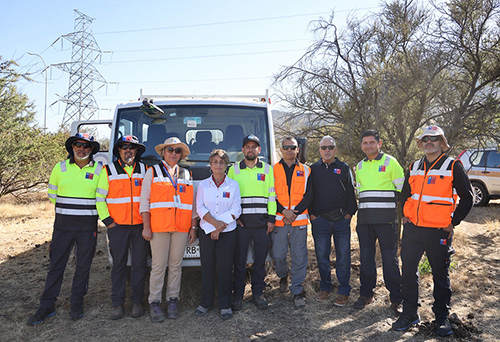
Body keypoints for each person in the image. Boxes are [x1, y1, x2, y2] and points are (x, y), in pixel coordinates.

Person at [392, 125, 473, 336]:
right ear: (421, 143)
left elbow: (468, 198)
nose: (429, 142)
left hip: (438, 231)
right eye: (425, 139)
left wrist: (452, 223)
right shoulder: (414, 166)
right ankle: (409, 313)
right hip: (413, 231)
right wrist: (405, 216)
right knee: (408, 272)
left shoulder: (453, 165)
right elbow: (405, 194)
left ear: (441, 142)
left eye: (434, 139)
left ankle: (441, 318)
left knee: (440, 274)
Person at [27, 133, 103, 325]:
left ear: (92, 149)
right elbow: (52, 194)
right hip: (62, 227)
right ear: (72, 147)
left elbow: (102, 198)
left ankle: (76, 302)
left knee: (83, 267)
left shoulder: (100, 170)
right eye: (78, 145)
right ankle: (46, 306)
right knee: (55, 267)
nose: (82, 149)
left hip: (87, 228)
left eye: (86, 146)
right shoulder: (59, 168)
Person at [140, 137, 197, 323]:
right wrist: (146, 227)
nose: (173, 153)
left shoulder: (187, 174)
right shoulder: (152, 172)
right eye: (170, 150)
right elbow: (145, 202)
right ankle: (154, 302)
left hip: (181, 228)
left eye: (177, 150)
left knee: (175, 266)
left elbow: (193, 204)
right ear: (163, 152)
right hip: (159, 228)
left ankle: (173, 300)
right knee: (158, 266)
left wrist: (193, 227)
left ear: (181, 155)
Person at [95, 135, 149, 320]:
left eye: (132, 147)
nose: (128, 150)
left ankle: (137, 302)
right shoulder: (108, 170)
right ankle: (117, 304)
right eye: (124, 147)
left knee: (139, 265)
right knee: (118, 266)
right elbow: (99, 198)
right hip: (117, 227)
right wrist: (108, 220)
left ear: (137, 151)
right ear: (118, 150)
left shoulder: (145, 169)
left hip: (140, 227)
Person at [353, 130, 404, 315]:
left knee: (390, 260)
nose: (368, 146)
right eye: (365, 143)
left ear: (379, 143)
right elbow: (360, 194)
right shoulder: (359, 166)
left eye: (371, 142)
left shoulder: (391, 162)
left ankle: (397, 299)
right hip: (365, 222)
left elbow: (403, 191)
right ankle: (366, 294)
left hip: (386, 222)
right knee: (366, 259)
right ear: (361, 145)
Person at [227, 134, 276, 311]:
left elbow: (272, 195)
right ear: (242, 150)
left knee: (260, 262)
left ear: (259, 150)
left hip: (262, 225)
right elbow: (230, 196)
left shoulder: (268, 170)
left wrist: (271, 219)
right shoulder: (234, 170)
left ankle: (258, 294)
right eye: (247, 146)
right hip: (242, 225)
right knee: (239, 262)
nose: (250, 149)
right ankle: (238, 295)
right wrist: (235, 217)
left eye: (253, 146)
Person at [309, 135, 357, 307]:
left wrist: (348, 215)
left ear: (335, 149)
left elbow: (351, 193)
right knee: (322, 256)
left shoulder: (344, 168)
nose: (327, 151)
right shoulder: (313, 169)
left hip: (341, 221)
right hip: (320, 221)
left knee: (343, 257)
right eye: (324, 148)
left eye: (330, 147)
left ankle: (344, 291)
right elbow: (309, 194)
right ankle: (325, 288)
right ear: (320, 150)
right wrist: (312, 215)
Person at [195, 149, 241, 320]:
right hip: (207, 231)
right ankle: (206, 303)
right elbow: (200, 207)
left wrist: (220, 228)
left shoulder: (233, 185)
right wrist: (214, 226)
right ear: (210, 165)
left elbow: (236, 209)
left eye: (222, 162)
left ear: (226, 165)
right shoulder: (203, 185)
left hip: (227, 232)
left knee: (225, 269)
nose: (218, 165)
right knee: (207, 268)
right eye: (215, 162)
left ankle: (225, 305)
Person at [272, 137, 312, 308]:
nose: (289, 150)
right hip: (280, 220)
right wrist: (283, 211)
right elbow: (270, 195)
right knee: (278, 255)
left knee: (299, 257)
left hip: (299, 220)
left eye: (292, 147)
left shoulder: (307, 170)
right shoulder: (272, 170)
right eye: (286, 147)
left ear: (298, 150)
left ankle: (297, 291)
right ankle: (283, 275)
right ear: (280, 150)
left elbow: (309, 195)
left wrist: (294, 213)